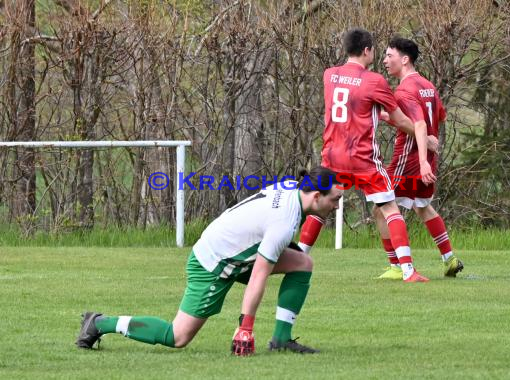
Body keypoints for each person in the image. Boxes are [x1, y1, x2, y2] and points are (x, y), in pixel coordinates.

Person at [76, 166, 343, 356]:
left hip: (233, 253)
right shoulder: (283, 222)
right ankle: (99, 323)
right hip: (213, 264)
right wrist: (245, 328)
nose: (337, 206)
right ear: (317, 196)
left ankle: (282, 339)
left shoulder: (291, 189)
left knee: (302, 263)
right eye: (335, 199)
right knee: (177, 336)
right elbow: (260, 275)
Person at [298, 28, 436, 282]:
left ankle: (297, 257)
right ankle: (408, 271)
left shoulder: (329, 75)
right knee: (390, 209)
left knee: (319, 208)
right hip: (363, 159)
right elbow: (400, 120)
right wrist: (425, 139)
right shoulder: (374, 81)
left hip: (332, 157)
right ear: (367, 51)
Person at [376, 37, 464, 280]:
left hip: (409, 159)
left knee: (381, 208)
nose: (385, 61)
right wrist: (386, 116)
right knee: (422, 207)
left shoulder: (404, 89)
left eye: (389, 56)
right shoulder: (428, 86)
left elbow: (419, 123)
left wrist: (422, 159)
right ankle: (449, 259)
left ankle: (397, 265)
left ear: (404, 59)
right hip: (426, 158)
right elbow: (439, 117)